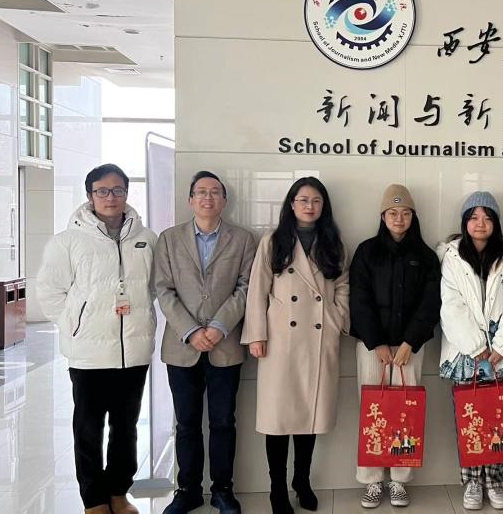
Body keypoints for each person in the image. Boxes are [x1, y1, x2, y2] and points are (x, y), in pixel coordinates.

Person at [35, 164, 157, 514]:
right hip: (88, 353)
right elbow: (50, 292)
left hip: (133, 349)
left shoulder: (147, 239)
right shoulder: (68, 241)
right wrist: (76, 325)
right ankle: (94, 500)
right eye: (102, 190)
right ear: (90, 195)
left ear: (126, 193)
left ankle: (118, 492)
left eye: (118, 190)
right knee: (88, 429)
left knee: (126, 428)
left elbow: (152, 288)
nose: (111, 197)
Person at [241, 177, 350, 514]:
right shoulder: (273, 241)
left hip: (318, 339)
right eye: (303, 200)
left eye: (316, 200)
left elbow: (343, 285)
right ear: (291, 204)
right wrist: (256, 335)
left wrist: (336, 320)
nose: (309, 206)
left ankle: (302, 481)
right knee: (277, 419)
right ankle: (277, 488)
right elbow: (257, 290)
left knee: (309, 415)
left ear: (323, 206)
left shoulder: (333, 243)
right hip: (280, 341)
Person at [154, 171, 257, 514]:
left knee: (223, 422)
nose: (207, 197)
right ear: (190, 200)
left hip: (225, 345)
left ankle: (223, 491)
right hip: (181, 346)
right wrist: (191, 330)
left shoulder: (243, 240)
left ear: (224, 200)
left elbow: (246, 287)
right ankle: (188, 491)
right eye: (201, 192)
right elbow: (163, 289)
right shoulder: (169, 239)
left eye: (214, 192)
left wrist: (219, 326)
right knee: (186, 423)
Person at [437, 191, 503, 511]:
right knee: (471, 417)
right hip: (465, 353)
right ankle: (472, 483)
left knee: (499, 417)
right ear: (465, 222)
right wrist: (476, 348)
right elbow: (451, 306)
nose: (480, 223)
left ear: (496, 223)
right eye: (474, 217)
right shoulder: (451, 257)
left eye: (487, 217)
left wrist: (501, 348)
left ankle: (495, 481)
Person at [349, 184, 441, 509]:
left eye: (405, 213)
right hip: (372, 347)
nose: (398, 218)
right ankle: (372, 480)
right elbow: (359, 299)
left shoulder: (425, 256)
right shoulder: (366, 251)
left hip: (409, 349)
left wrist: (409, 342)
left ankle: (400, 480)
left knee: (405, 412)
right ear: (382, 216)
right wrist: (376, 342)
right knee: (372, 411)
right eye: (392, 213)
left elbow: (431, 303)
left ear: (413, 217)